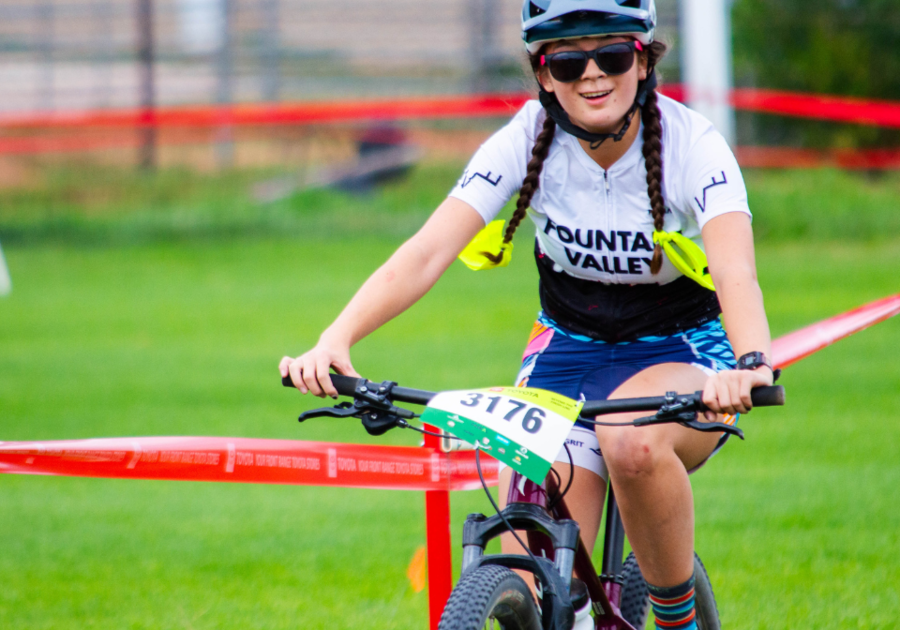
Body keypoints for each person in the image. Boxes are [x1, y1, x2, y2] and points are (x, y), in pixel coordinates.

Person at [281, 1, 774, 628]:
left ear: (645, 59)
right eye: (568, 61)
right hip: (569, 349)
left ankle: (675, 615)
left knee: (630, 444)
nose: (592, 74)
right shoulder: (524, 139)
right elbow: (429, 250)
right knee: (529, 578)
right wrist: (335, 339)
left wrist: (751, 363)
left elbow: (737, 273)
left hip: (678, 348)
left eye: (613, 55)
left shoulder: (695, 145)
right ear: (543, 74)